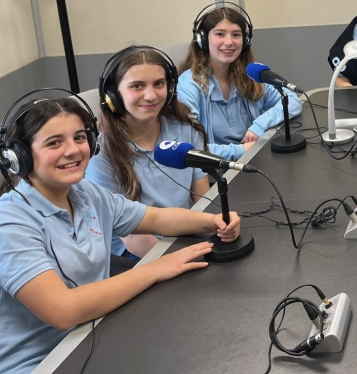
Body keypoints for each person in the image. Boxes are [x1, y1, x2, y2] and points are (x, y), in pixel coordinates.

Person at [0, 95, 240, 374]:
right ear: (20, 157)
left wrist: (213, 221)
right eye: (54, 143)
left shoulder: (85, 195)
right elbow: (63, 310)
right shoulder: (9, 223)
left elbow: (156, 218)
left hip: (93, 338)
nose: (73, 150)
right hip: (40, 365)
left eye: (79, 138)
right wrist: (154, 269)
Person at [86, 46, 210, 259]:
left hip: (185, 233)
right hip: (136, 249)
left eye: (159, 84)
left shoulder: (185, 128)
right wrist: (185, 258)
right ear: (113, 95)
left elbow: (202, 198)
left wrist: (212, 230)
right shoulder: (101, 151)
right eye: (137, 86)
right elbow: (133, 237)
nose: (151, 95)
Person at [178, 2, 302, 160]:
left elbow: (291, 101)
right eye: (220, 34)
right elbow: (193, 148)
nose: (229, 42)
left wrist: (259, 125)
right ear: (202, 39)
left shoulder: (248, 74)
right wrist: (242, 150)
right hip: (216, 171)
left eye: (236, 35)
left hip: (252, 159)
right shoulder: (189, 85)